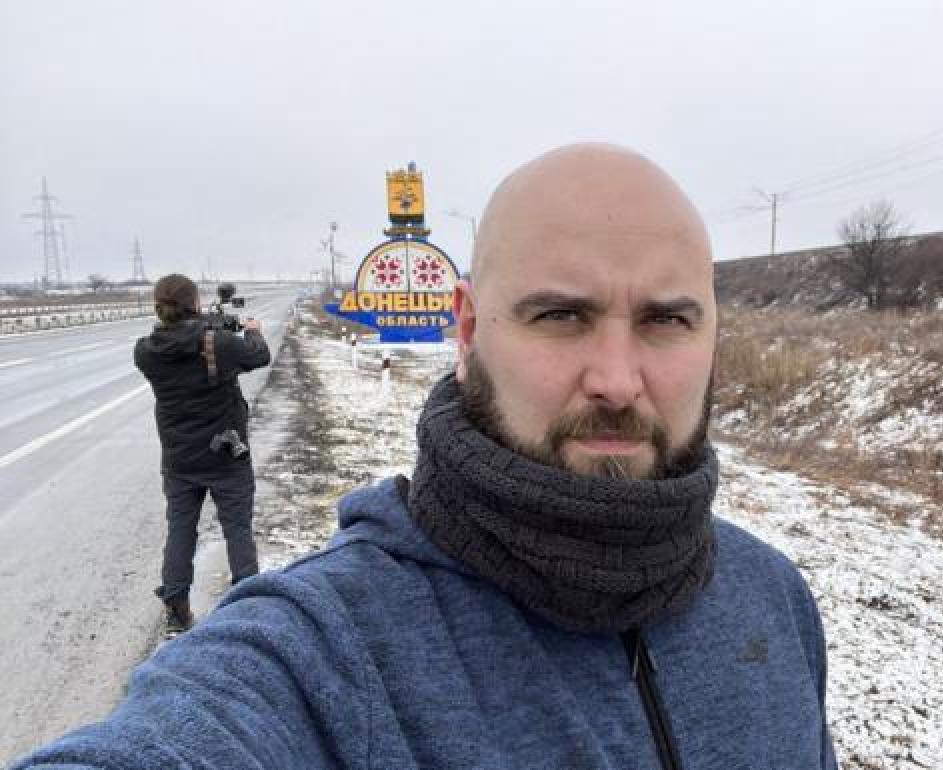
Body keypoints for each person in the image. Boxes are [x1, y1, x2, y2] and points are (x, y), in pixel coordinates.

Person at [15, 145, 836, 769]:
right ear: (470, 331)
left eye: (667, 320)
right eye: (559, 316)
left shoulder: (776, 599)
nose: (618, 381)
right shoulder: (326, 655)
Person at [132, 274, 271, 635]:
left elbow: (181, 347)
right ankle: (248, 607)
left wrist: (207, 327)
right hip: (226, 454)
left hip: (179, 460)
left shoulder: (145, 351)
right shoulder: (219, 343)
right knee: (237, 529)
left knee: (180, 530)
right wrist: (252, 330)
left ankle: (177, 610)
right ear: (194, 303)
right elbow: (259, 355)